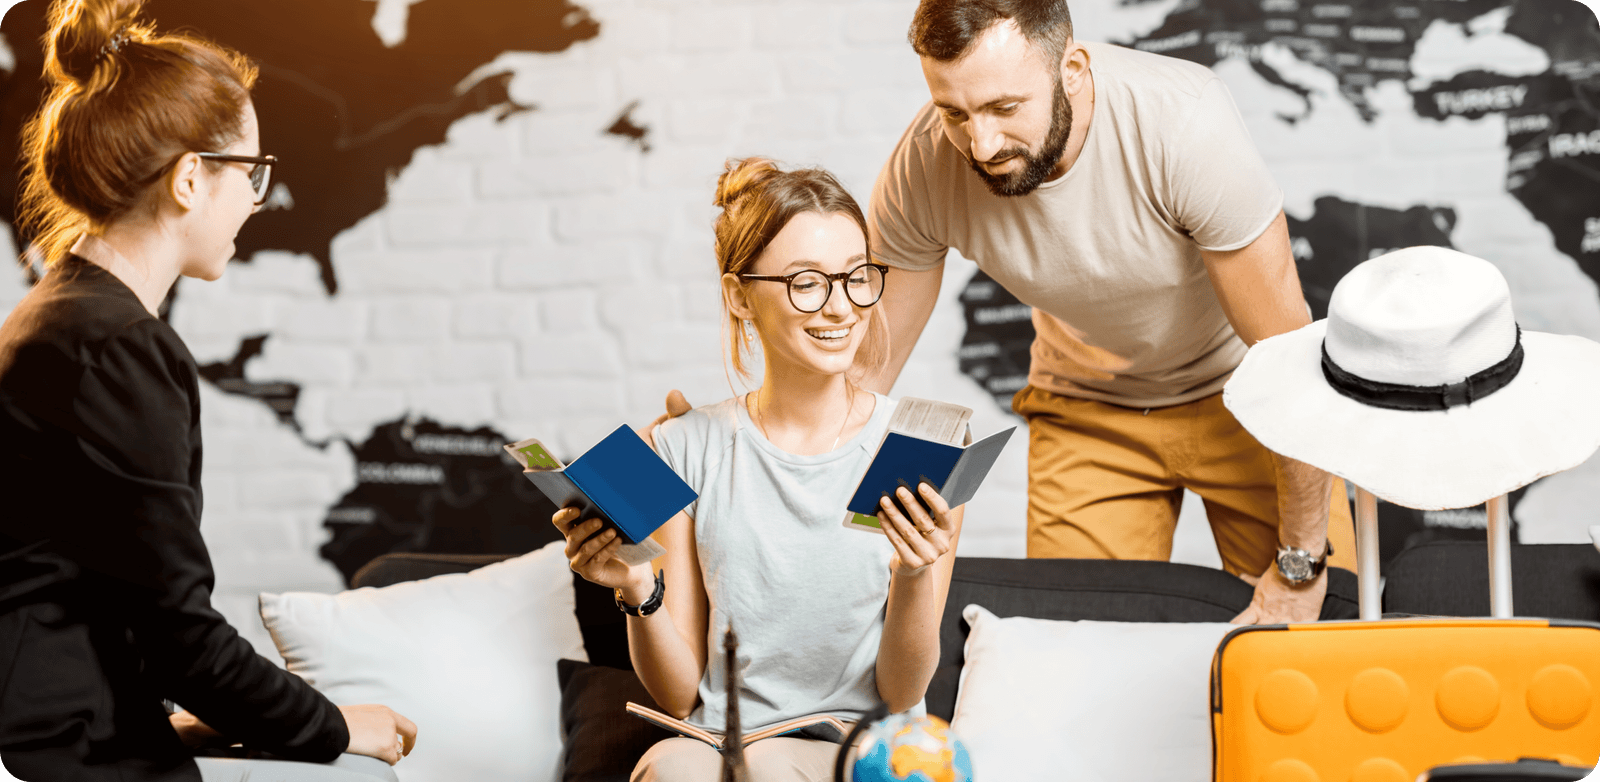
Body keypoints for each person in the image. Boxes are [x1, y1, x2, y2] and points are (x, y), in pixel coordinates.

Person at [0, 2, 416, 780]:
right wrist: (333, 726)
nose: (259, 200)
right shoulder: (122, 347)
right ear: (191, 178)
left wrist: (178, 721)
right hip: (60, 755)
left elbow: (92, 597)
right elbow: (178, 632)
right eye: (251, 172)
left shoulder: (53, 323)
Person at [861, 0, 1357, 623]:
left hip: (1246, 402)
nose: (980, 144)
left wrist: (1302, 563)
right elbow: (865, 373)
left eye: (1005, 108)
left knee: (1329, 634)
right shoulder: (926, 165)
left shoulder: (1184, 123)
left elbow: (1289, 365)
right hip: (1088, 409)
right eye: (954, 112)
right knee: (1075, 655)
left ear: (1072, 68)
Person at [555, 158, 963, 782]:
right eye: (806, 282)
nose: (841, 308)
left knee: (767, 766)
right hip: (723, 740)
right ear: (739, 295)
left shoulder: (919, 445)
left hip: (866, 752)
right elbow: (679, 694)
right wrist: (636, 586)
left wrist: (915, 572)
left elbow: (903, 694)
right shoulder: (684, 446)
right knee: (667, 770)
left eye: (857, 277)